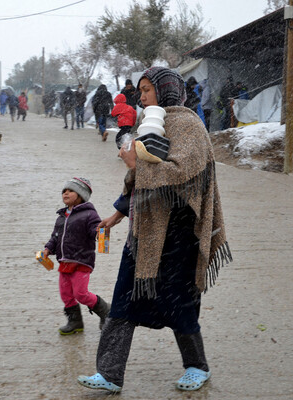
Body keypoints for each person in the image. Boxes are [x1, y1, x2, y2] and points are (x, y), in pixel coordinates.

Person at [77, 66, 232, 394]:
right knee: (123, 303)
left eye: (147, 90)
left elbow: (182, 175)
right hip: (144, 232)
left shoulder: (188, 125)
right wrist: (118, 214)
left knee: (180, 306)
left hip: (178, 236)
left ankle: (196, 366)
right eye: (141, 91)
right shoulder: (150, 124)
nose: (142, 96)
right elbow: (140, 182)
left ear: (165, 90)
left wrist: (137, 164)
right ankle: (110, 374)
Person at [43, 177, 110, 335]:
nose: (66, 193)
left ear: (81, 195)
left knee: (81, 293)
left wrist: (101, 233)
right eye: (64, 191)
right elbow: (56, 237)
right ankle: (75, 321)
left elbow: (96, 229)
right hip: (64, 262)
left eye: (71, 190)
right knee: (66, 294)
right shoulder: (61, 217)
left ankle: (105, 311)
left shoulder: (89, 214)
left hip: (81, 260)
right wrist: (48, 249)